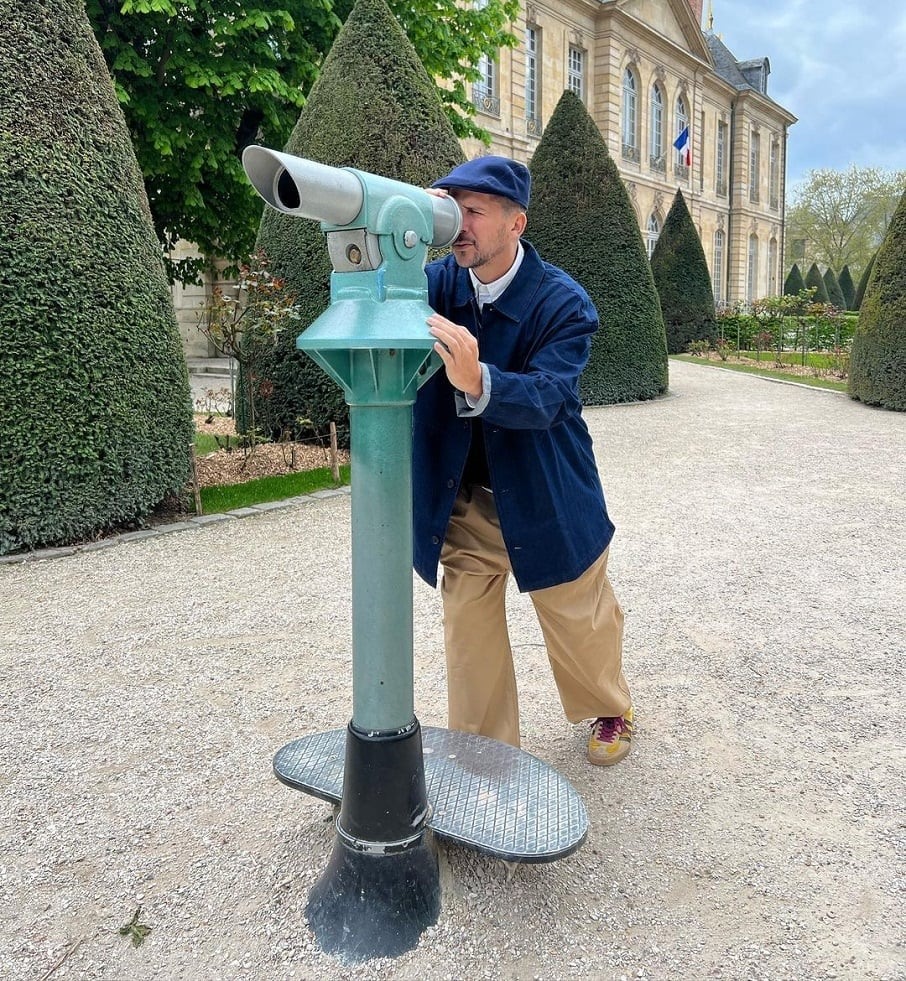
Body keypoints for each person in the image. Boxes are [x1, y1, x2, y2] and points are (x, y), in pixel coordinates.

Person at [412, 155, 633, 766]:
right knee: (468, 634)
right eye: (452, 210)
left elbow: (550, 395)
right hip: (467, 503)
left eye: (475, 212)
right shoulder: (433, 286)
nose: (460, 225)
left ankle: (610, 707)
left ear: (516, 223)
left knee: (578, 621)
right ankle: (486, 755)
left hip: (547, 494)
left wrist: (478, 378)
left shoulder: (564, 303)